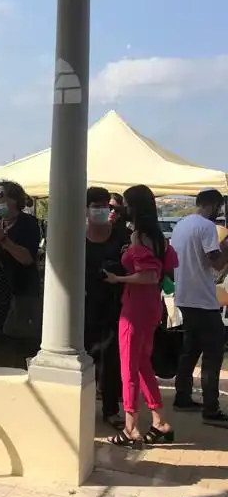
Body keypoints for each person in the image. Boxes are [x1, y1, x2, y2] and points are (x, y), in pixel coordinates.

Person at [103, 184, 178, 447]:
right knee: (143, 364)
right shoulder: (160, 238)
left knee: (129, 368)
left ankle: (130, 427)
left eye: (124, 203)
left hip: (134, 308)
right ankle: (159, 421)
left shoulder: (138, 236)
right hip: (152, 307)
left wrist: (118, 278)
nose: (121, 208)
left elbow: (149, 275)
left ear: (133, 207)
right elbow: (166, 270)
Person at [170, 188, 228, 426]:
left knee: (191, 349)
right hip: (203, 299)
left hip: (184, 296)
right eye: (219, 207)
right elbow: (217, 263)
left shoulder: (181, 225)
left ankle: (182, 396)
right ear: (213, 205)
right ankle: (211, 409)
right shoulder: (206, 227)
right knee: (213, 354)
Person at [0, 180, 41, 369]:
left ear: (16, 200)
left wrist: (3, 239)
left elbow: (27, 258)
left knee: (12, 353)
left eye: (1, 196)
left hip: (16, 300)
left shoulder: (28, 223)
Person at [84, 187, 129, 428]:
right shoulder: (77, 237)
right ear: (86, 209)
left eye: (107, 206)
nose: (103, 210)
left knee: (112, 359)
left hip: (116, 305)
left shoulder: (122, 236)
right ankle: (83, 408)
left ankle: (111, 410)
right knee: (85, 358)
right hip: (85, 307)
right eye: (97, 206)